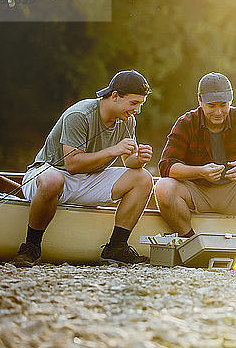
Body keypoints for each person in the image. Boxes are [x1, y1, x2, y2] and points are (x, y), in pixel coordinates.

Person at [12, 70, 154, 267]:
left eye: (140, 104)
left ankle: (116, 247)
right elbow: (72, 165)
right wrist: (113, 151)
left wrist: (138, 159)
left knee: (144, 178)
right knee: (53, 180)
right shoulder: (80, 114)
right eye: (134, 103)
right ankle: (31, 247)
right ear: (114, 96)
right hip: (52, 172)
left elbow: (127, 160)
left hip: (89, 179)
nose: (137, 110)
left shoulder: (127, 119)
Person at [154, 72, 236, 268]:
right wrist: (199, 171)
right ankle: (192, 248)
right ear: (200, 101)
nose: (218, 112)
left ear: (230, 100)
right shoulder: (186, 122)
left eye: (223, 105)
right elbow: (166, 166)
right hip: (198, 193)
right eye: (211, 106)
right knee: (163, 187)